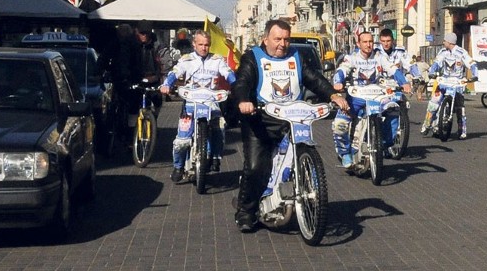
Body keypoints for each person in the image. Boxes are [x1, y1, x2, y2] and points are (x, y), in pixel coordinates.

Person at [232, 19, 349, 232]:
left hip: (293, 119)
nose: (282, 44)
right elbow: (242, 82)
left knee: (302, 154)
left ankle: (306, 196)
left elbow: (314, 79)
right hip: (261, 120)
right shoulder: (253, 57)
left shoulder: (296, 56)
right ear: (265, 39)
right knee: (257, 167)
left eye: (286, 39)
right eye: (277, 39)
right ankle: (245, 211)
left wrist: (333, 95)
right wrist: (243, 101)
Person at [160, 30, 236, 182]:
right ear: (194, 44)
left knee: (220, 126)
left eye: (206, 45)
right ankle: (178, 166)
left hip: (211, 102)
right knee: (182, 140)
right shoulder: (186, 60)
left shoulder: (217, 60)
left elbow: (228, 73)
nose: (203, 48)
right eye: (200, 44)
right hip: (190, 103)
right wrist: (166, 84)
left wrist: (237, 84)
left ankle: (215, 157)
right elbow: (174, 73)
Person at [331, 31, 412, 167]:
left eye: (370, 42)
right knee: (340, 124)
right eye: (365, 42)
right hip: (356, 97)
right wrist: (338, 81)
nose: (368, 45)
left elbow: (392, 69)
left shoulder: (379, 57)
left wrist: (404, 82)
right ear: (358, 43)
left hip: (378, 97)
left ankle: (383, 143)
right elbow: (342, 70)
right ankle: (345, 153)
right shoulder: (352, 58)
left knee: (394, 110)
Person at [420, 32, 478, 139]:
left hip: (457, 82)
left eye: (445, 41)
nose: (443, 42)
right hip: (444, 81)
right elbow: (436, 64)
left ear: (450, 42)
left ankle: (462, 130)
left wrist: (475, 75)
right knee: (434, 102)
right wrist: (432, 72)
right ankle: (427, 124)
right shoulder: (443, 52)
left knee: (460, 107)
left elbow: (472, 63)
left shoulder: (461, 52)